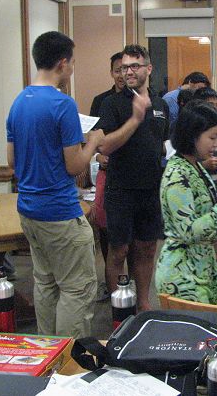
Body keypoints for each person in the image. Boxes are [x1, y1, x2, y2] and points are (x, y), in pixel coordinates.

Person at [6, 31, 104, 338]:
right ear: (62, 63)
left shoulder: (19, 102)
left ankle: (46, 353)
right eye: (72, 62)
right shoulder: (63, 104)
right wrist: (94, 142)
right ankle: (68, 357)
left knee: (45, 283)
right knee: (77, 288)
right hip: (59, 212)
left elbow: (11, 161)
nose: (72, 68)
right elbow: (74, 166)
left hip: (29, 210)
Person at [155, 100, 217, 304]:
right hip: (183, 274)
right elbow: (189, 231)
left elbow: (204, 209)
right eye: (212, 137)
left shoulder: (194, 166)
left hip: (202, 265)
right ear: (192, 136)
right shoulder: (177, 175)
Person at [98, 44, 169, 312]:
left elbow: (162, 143)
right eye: (125, 67)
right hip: (120, 189)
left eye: (134, 66)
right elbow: (105, 146)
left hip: (151, 189)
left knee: (147, 248)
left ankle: (143, 303)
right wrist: (135, 119)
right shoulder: (112, 104)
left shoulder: (161, 104)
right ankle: (119, 308)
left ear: (148, 69)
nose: (128, 72)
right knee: (119, 251)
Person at [89, 52, 124, 289]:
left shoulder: (143, 101)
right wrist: (99, 156)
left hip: (132, 175)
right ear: (111, 72)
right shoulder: (101, 101)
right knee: (105, 230)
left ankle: (127, 284)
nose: (122, 74)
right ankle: (110, 284)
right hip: (107, 172)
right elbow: (94, 137)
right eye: (117, 70)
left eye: (126, 69)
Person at [162, 71, 210, 137]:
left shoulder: (195, 97)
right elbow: (171, 122)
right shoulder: (171, 98)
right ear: (190, 82)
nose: (200, 91)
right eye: (199, 87)